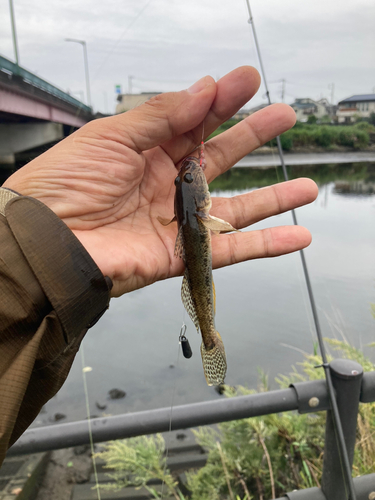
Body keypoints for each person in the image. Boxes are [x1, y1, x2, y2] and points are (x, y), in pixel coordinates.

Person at [0, 66, 318, 464]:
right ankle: (209, 337)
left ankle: (209, 335)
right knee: (207, 302)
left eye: (190, 177)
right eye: (189, 179)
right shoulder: (200, 211)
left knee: (203, 291)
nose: (192, 176)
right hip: (190, 248)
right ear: (197, 198)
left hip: (188, 249)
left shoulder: (193, 211)